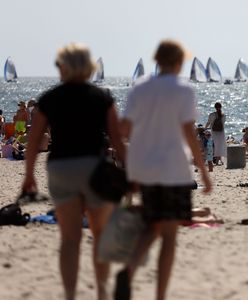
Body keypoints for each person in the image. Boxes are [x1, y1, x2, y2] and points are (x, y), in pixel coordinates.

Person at [21, 43, 125, 300]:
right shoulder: (103, 97)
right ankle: (102, 292)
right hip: (94, 169)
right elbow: (118, 141)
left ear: (65, 67)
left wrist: (29, 175)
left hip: (61, 168)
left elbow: (33, 141)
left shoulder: (49, 98)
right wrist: (127, 172)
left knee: (70, 240)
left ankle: (70, 295)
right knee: (101, 235)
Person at [115, 40, 211, 300]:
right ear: (179, 62)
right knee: (169, 234)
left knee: (151, 225)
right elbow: (190, 133)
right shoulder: (183, 90)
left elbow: (123, 129)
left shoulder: (140, 88)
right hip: (173, 168)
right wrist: (203, 170)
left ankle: (129, 268)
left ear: (156, 59)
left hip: (143, 168)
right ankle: (160, 296)